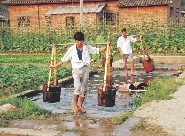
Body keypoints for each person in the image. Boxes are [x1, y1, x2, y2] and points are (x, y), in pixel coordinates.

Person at [50, 31, 107, 115]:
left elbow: (97, 50)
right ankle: (75, 106)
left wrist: (106, 47)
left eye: (80, 41)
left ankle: (80, 106)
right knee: (77, 88)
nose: (79, 43)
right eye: (77, 41)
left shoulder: (87, 47)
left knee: (84, 90)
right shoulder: (72, 49)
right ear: (75, 41)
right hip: (76, 70)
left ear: (83, 40)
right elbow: (64, 59)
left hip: (85, 69)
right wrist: (55, 66)